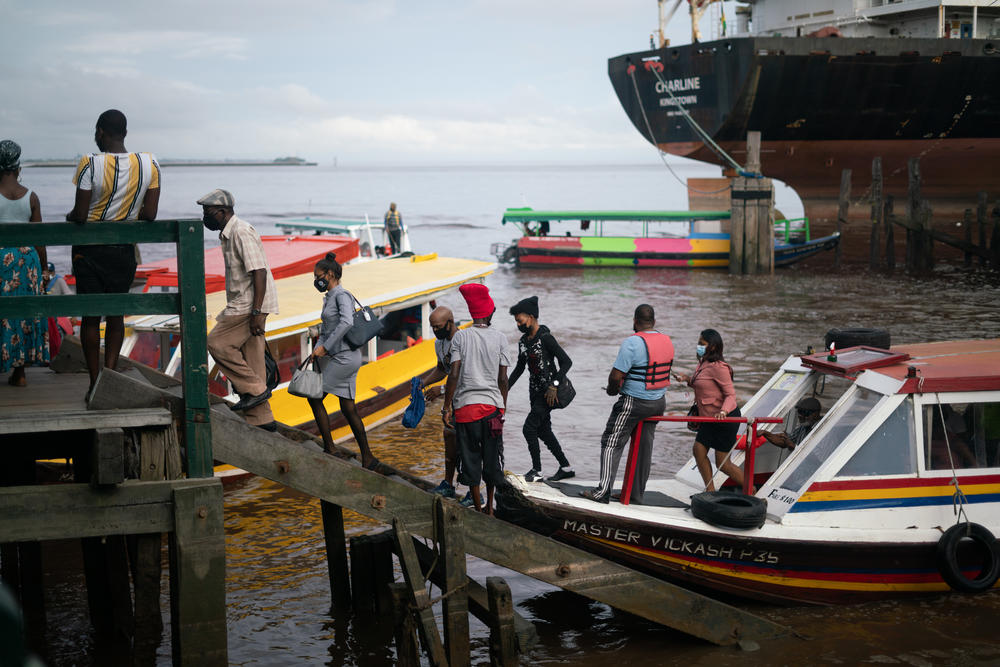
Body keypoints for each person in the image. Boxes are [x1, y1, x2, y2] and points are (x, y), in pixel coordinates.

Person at [66, 110, 160, 398]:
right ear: (125, 133)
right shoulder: (149, 163)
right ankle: (110, 378)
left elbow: (81, 214)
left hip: (90, 251)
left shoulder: (89, 164)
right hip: (123, 251)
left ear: (99, 132)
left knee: (91, 318)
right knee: (116, 315)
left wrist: (70, 216)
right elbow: (151, 214)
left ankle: (95, 383)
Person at [199, 188, 278, 430]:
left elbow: (259, 272)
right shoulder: (229, 234)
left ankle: (255, 390)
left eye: (208, 212)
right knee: (253, 362)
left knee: (217, 343)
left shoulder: (241, 231)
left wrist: (256, 313)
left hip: (248, 305)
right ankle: (263, 422)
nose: (205, 217)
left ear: (222, 212)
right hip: (248, 303)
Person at [581, 304, 673, 504]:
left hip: (635, 402)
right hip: (658, 402)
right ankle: (635, 494)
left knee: (611, 441)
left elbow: (615, 376)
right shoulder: (667, 341)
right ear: (654, 322)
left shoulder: (632, 342)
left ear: (635, 321)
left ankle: (602, 492)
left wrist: (612, 391)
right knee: (643, 447)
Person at [442, 283, 512, 515]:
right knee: (491, 458)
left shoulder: (460, 338)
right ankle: (490, 508)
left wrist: (446, 408)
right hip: (492, 409)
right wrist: (502, 407)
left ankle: (478, 505)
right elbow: (503, 379)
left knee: (470, 459)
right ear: (490, 313)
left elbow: (453, 374)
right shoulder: (501, 338)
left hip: (466, 411)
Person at [308, 252, 382, 469]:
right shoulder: (329, 297)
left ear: (330, 274)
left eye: (318, 276)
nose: (316, 280)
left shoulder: (341, 296)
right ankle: (368, 457)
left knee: (314, 397)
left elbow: (347, 323)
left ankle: (330, 448)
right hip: (341, 356)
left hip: (345, 358)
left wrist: (326, 347)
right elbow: (326, 328)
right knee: (348, 408)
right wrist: (317, 348)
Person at [507, 296, 574, 483]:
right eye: (516, 322)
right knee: (543, 430)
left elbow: (566, 362)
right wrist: (504, 388)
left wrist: (555, 385)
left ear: (531, 317)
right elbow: (520, 368)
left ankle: (537, 470)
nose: (518, 325)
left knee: (529, 429)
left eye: (520, 321)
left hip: (548, 393)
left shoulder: (546, 338)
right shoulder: (523, 341)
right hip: (534, 392)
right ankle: (566, 467)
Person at [0, 139, 48, 387]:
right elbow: (39, 239)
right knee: (23, 315)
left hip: (1, 259)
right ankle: (20, 374)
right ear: (18, 168)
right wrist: (45, 269)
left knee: (3, 313)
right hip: (27, 261)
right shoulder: (31, 197)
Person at [672, 329, 744, 493]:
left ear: (712, 346)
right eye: (699, 343)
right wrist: (686, 379)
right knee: (698, 450)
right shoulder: (703, 363)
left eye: (701, 344)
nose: (698, 346)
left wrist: (724, 412)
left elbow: (730, 395)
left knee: (723, 464)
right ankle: (710, 491)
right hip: (708, 418)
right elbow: (703, 386)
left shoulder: (720, 368)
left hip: (725, 418)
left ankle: (751, 489)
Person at [423, 306, 466, 502]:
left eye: (438, 327)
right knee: (449, 443)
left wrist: (440, 390)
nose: (435, 331)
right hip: (452, 402)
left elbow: (463, 376)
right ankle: (448, 484)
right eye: (432, 327)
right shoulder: (439, 344)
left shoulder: (464, 341)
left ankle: (476, 494)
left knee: (468, 449)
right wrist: (423, 383)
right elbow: (443, 368)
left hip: (467, 400)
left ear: (450, 323)